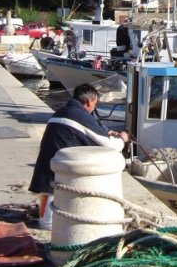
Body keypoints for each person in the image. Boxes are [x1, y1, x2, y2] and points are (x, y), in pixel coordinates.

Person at [28, 83, 130, 226]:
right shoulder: (82, 116)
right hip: (64, 179)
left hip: (45, 174)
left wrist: (106, 133)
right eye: (95, 104)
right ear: (89, 102)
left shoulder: (61, 112)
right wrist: (122, 138)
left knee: (46, 221)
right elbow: (112, 146)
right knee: (52, 226)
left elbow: (79, 132)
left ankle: (45, 220)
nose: (94, 108)